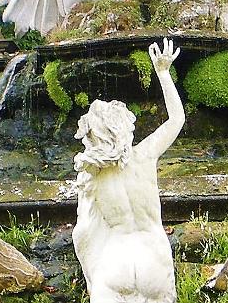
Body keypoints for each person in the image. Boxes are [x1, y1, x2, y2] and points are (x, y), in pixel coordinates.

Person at [73, 39, 183, 303]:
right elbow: (176, 119)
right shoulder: (144, 155)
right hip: (154, 261)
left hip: (115, 264)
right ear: (124, 128)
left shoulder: (92, 175)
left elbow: (83, 231)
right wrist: (164, 73)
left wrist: (91, 278)